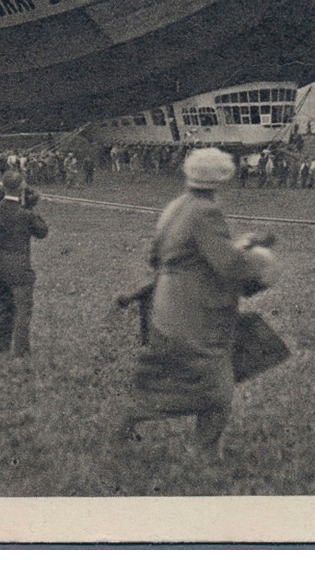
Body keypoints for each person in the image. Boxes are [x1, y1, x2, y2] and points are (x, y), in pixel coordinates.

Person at [116, 148, 273, 456]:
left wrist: (237, 244)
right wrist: (258, 262)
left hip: (165, 306)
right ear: (222, 178)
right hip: (195, 309)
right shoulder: (206, 211)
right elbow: (227, 265)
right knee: (216, 384)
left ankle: (129, 420)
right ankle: (203, 452)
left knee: (175, 375)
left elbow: (160, 255)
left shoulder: (175, 207)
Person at [0, 171, 47, 356]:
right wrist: (30, 206)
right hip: (20, 268)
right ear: (22, 188)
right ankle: (21, 352)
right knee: (23, 310)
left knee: (5, 305)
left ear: (3, 187)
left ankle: (0, 348)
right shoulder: (25, 215)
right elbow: (42, 231)